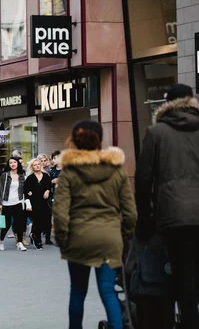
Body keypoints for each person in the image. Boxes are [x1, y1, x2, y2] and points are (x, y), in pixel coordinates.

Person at [135, 83, 199, 329]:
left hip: (171, 211)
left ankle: (185, 320)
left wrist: (144, 214)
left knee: (172, 268)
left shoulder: (156, 132)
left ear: (166, 103)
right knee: (191, 269)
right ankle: (188, 318)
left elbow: (144, 178)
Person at [54, 120, 137, 329]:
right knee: (108, 291)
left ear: (74, 141)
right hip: (109, 239)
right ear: (100, 140)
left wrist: (63, 240)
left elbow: (60, 212)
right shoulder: (116, 170)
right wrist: (125, 237)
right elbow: (130, 213)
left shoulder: (69, 172)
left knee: (78, 291)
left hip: (79, 238)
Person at [0, 157, 27, 252]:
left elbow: (24, 188)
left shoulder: (22, 175)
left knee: (19, 224)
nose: (13, 164)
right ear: (8, 165)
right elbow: (0, 189)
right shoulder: (5, 175)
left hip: (18, 202)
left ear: (18, 164)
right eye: (10, 163)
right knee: (6, 224)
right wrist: (0, 203)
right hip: (6, 203)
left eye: (14, 162)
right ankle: (1, 240)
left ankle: (19, 243)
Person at [25, 158, 52, 250]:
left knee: (45, 221)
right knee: (37, 221)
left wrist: (48, 191)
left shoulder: (46, 176)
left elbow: (49, 186)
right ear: (32, 167)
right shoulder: (30, 178)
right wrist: (29, 192)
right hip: (34, 203)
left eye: (38, 164)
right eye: (35, 165)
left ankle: (33, 234)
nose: (37, 166)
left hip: (44, 202)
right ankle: (38, 241)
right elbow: (25, 190)